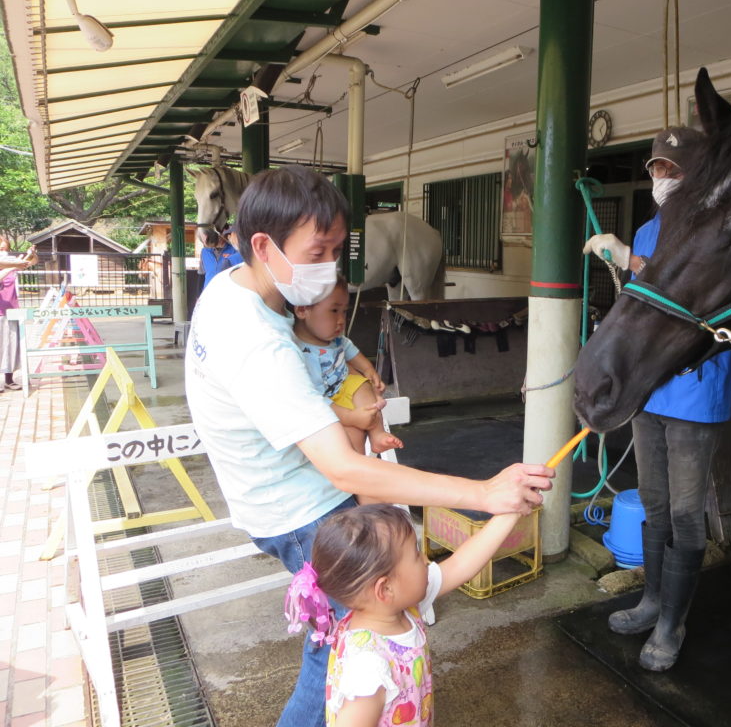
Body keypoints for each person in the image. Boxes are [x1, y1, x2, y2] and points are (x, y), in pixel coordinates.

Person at [184, 165, 552, 727]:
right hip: (302, 509)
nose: (328, 267)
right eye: (318, 251)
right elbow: (345, 469)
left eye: (336, 250)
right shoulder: (257, 342)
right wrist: (484, 493)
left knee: (334, 647)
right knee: (334, 656)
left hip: (283, 496)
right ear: (263, 245)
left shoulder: (233, 289)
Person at [583, 127, 731, 672]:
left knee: (685, 511)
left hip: (696, 389)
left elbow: (690, 298)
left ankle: (673, 622)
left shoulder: (717, 230)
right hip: (650, 388)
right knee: (652, 499)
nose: (662, 178)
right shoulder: (649, 229)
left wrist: (631, 260)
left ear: (696, 176)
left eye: (672, 168)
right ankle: (652, 600)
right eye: (656, 169)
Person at [285, 504, 519, 726]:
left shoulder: (400, 607)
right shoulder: (368, 666)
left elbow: (459, 565)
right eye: (416, 556)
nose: (426, 559)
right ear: (385, 589)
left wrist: (511, 513)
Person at [292, 276, 403, 457]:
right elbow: (317, 401)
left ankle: (377, 434)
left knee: (362, 384)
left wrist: (368, 370)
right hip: (327, 404)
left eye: (344, 311)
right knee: (353, 435)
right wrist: (351, 417)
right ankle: (356, 465)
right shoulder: (299, 352)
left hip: (343, 386)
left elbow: (352, 352)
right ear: (302, 310)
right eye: (334, 310)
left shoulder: (334, 338)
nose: (341, 320)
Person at [0, 239, 38, 393]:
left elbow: (31, 262)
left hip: (12, 310)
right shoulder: (10, 265)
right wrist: (14, 265)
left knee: (11, 345)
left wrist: (32, 254)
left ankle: (9, 379)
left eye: (5, 247)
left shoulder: (11, 262)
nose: (3, 250)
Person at [198, 225, 242, 291]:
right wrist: (199, 294)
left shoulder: (235, 250)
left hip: (227, 292)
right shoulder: (205, 251)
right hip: (208, 292)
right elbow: (201, 275)